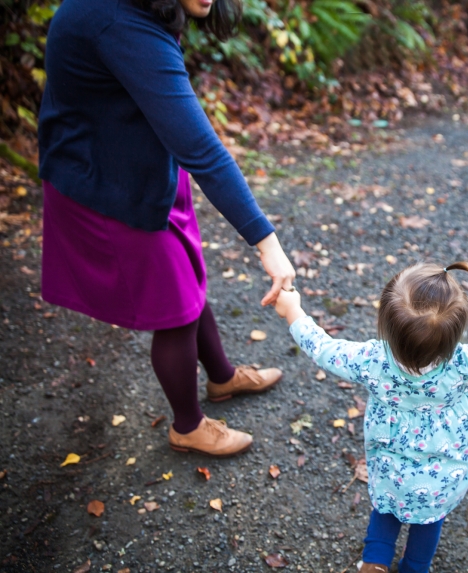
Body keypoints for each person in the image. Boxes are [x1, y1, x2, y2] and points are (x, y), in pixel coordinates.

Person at [37, 0, 296, 457]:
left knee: (188, 278)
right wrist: (265, 241)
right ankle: (188, 425)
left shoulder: (146, 7)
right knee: (175, 307)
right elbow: (202, 148)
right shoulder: (117, 21)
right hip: (103, 183)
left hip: (141, 164)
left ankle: (221, 377)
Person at [274, 262, 468, 573]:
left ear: (384, 322)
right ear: (457, 332)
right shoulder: (464, 363)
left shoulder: (372, 361)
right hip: (445, 469)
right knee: (430, 518)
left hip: (391, 461)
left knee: (387, 505)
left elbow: (323, 348)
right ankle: (415, 567)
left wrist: (293, 311)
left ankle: (374, 562)